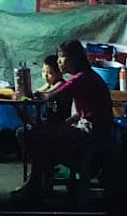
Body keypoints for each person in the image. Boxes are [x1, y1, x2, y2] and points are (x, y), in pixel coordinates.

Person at [15, 39, 113, 201]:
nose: (59, 61)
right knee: (40, 136)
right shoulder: (87, 77)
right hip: (90, 127)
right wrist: (62, 125)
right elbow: (82, 112)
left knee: (31, 135)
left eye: (62, 57)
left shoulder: (81, 79)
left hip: (92, 131)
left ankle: (36, 185)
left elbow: (51, 96)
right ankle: (38, 184)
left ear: (74, 59)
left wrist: (28, 93)